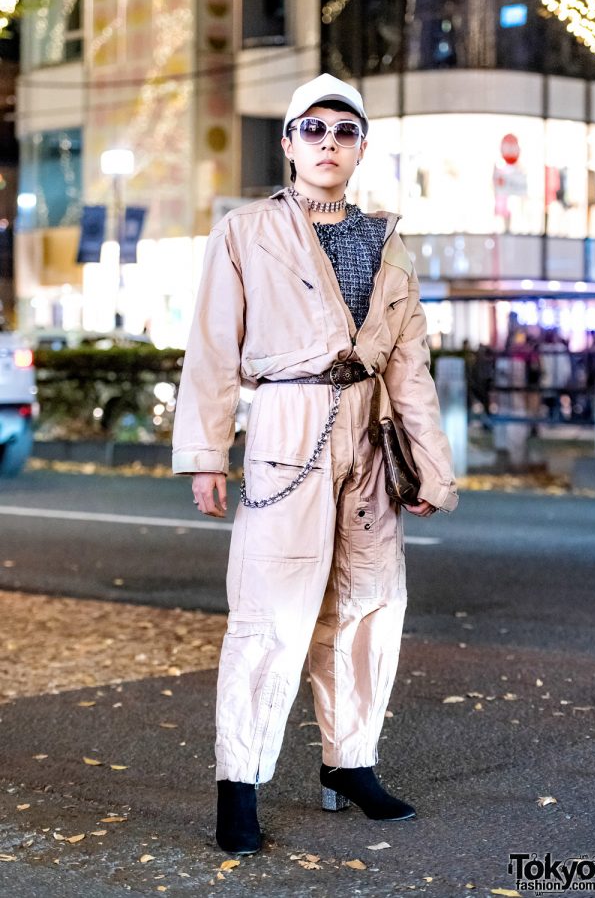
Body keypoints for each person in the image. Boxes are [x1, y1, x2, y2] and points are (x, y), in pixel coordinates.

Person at [172, 73, 458, 856]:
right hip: (287, 427)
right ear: (289, 142)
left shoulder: (386, 240)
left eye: (344, 130)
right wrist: (207, 453)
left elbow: (410, 364)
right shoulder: (245, 230)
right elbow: (212, 346)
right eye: (313, 129)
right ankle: (240, 786)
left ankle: (349, 764)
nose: (328, 143)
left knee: (367, 610)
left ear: (362, 146)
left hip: (371, 436)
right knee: (269, 615)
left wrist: (429, 466)